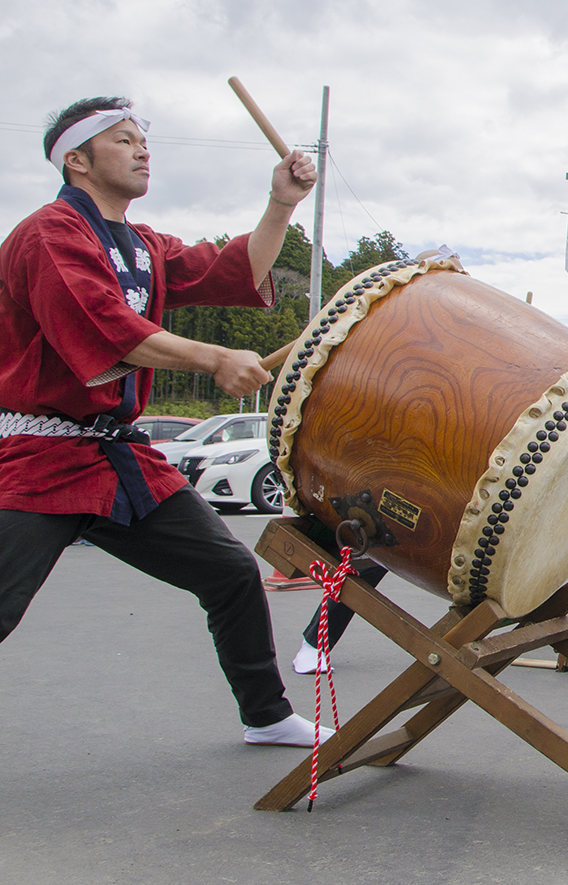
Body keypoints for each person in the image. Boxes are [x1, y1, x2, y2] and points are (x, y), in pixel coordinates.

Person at [0, 96, 332, 747]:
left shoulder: (145, 246)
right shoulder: (48, 236)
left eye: (142, 139)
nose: (142, 149)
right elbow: (108, 329)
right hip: (43, 456)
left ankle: (265, 715)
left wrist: (282, 203)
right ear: (77, 159)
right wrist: (214, 358)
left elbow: (234, 269)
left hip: (120, 459)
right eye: (124, 140)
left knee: (230, 573)